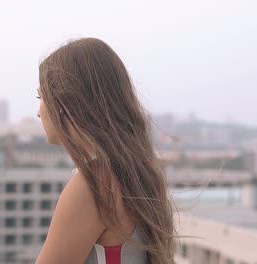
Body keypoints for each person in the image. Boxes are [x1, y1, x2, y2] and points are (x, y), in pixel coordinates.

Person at [34, 38, 175, 264]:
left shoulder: (94, 185)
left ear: (65, 103)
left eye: (41, 97)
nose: (39, 113)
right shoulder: (134, 172)